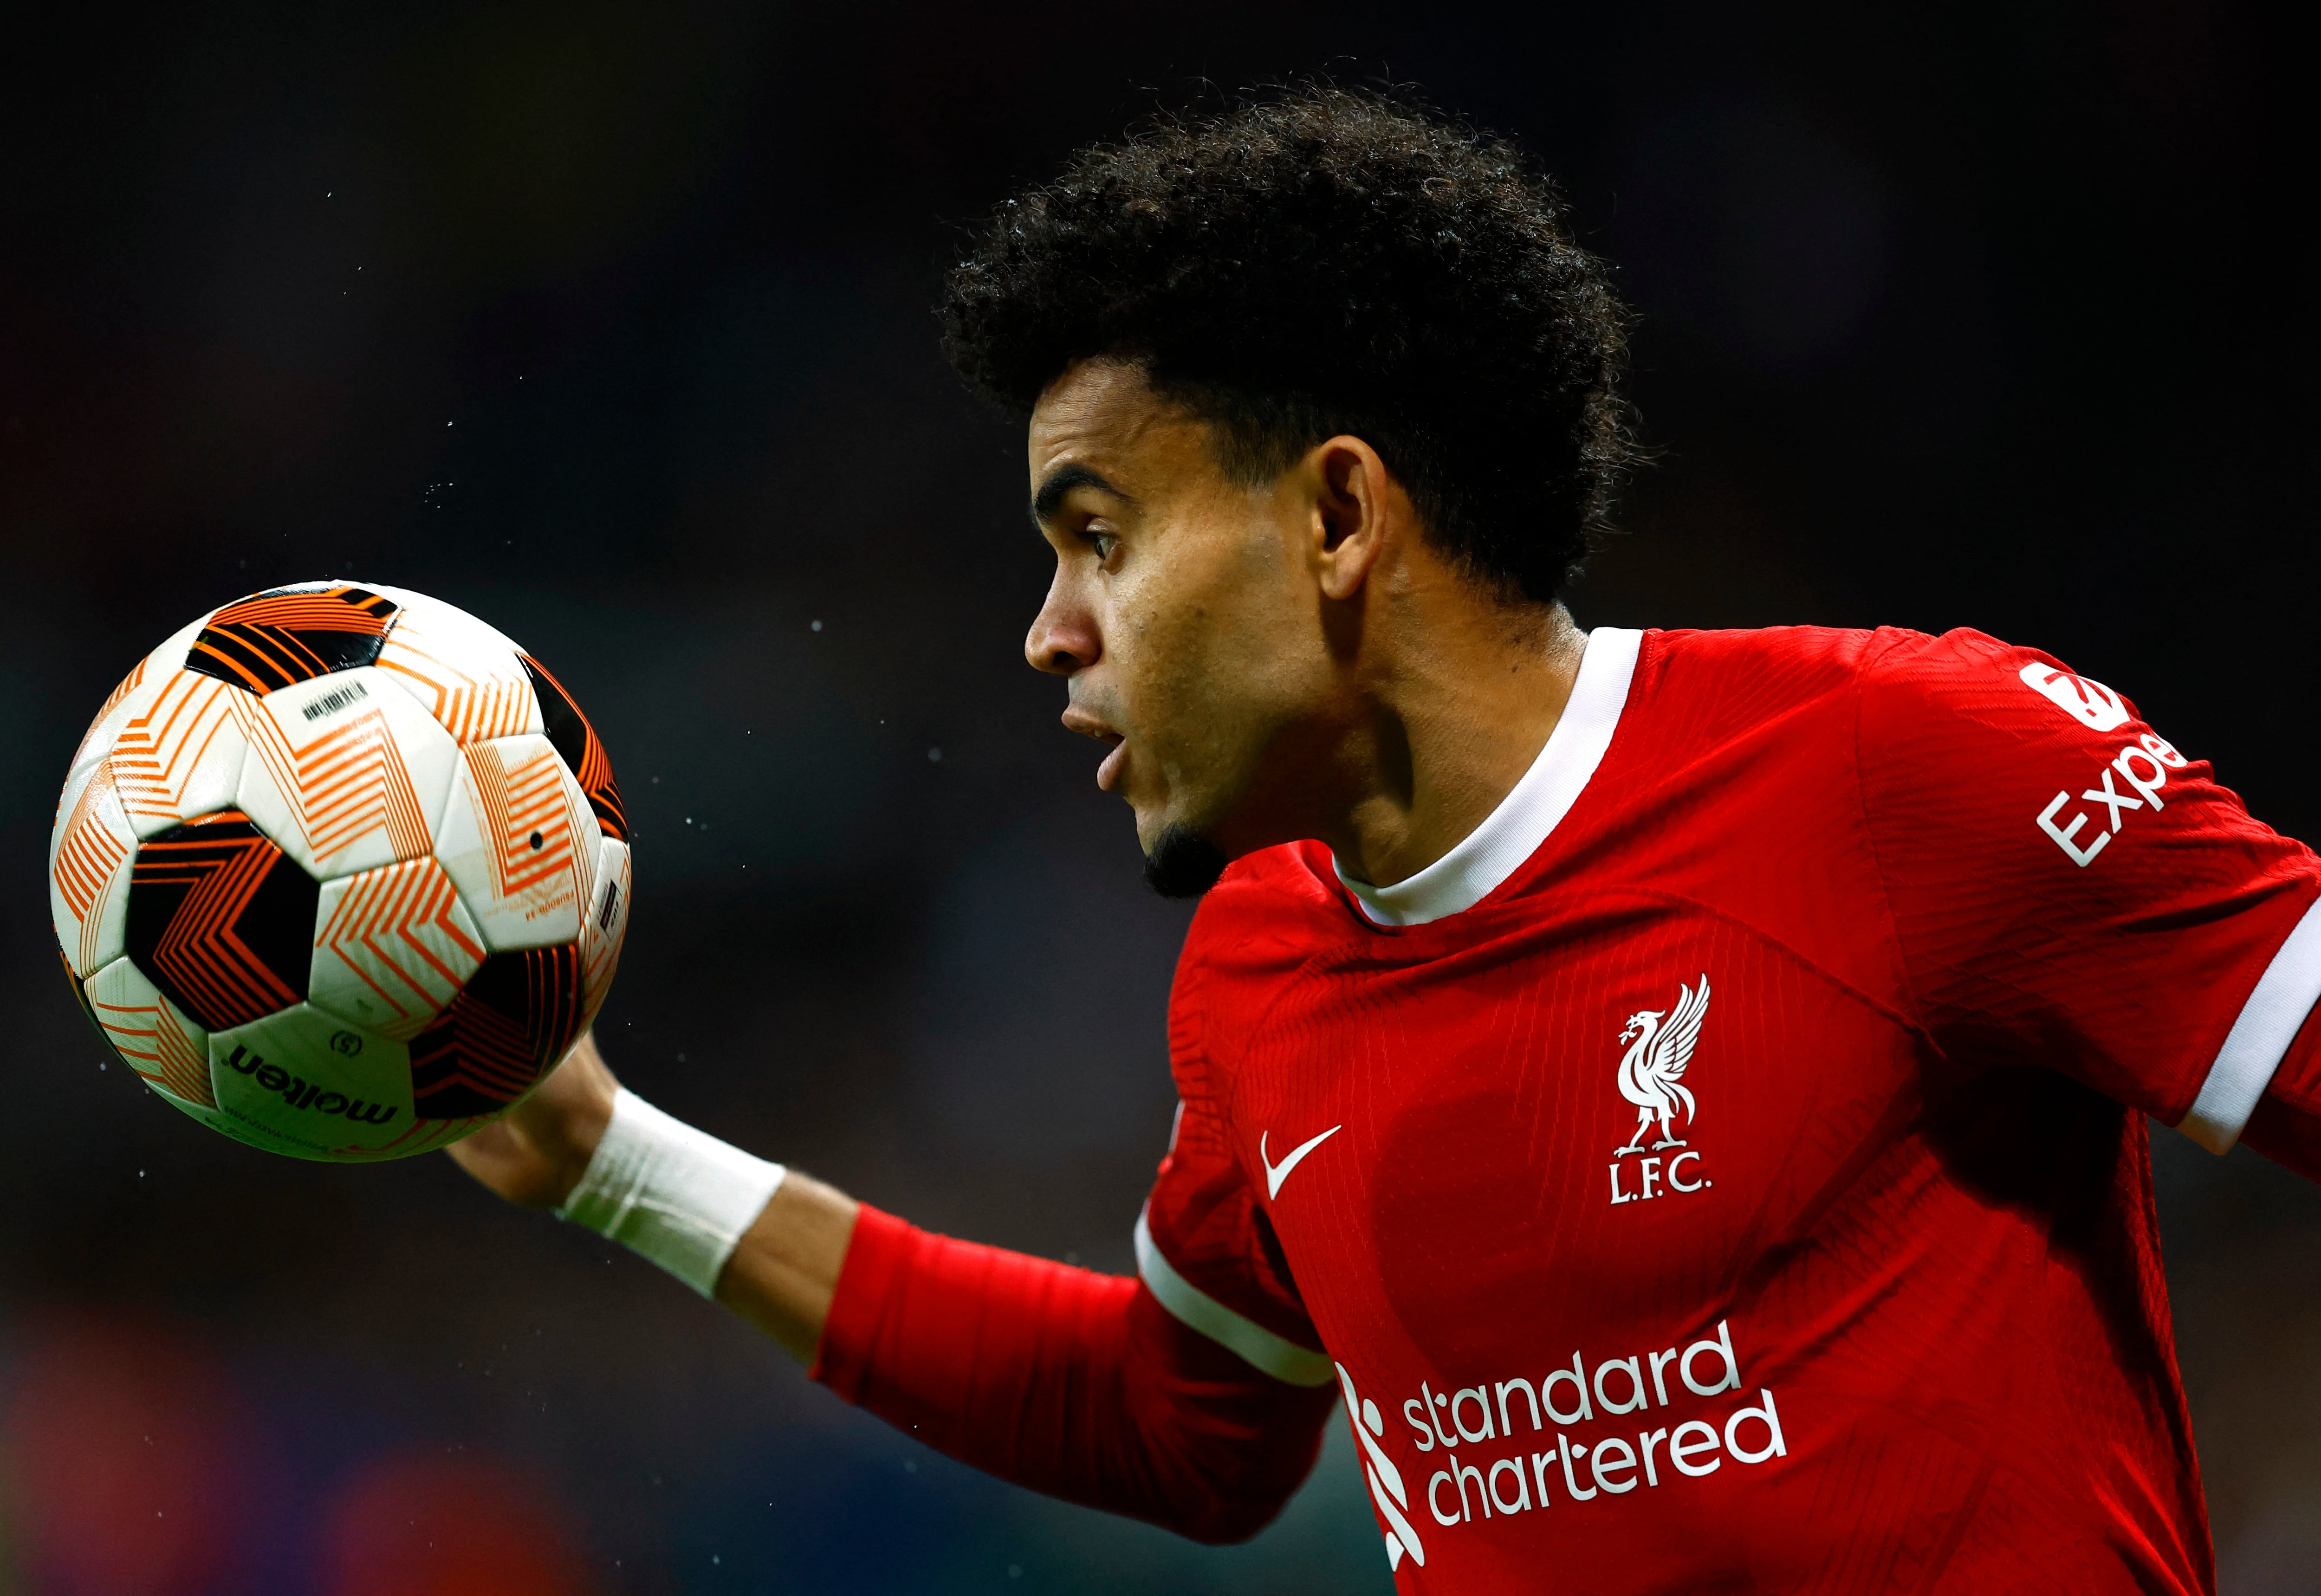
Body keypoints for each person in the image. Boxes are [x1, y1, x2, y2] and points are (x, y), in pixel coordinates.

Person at [450, 89, 2321, 1591]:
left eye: (1096, 532)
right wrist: (610, 1155)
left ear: (1334, 513)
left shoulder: (1902, 765)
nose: (1046, 628)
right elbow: (1173, 1425)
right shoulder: (1258, 969)